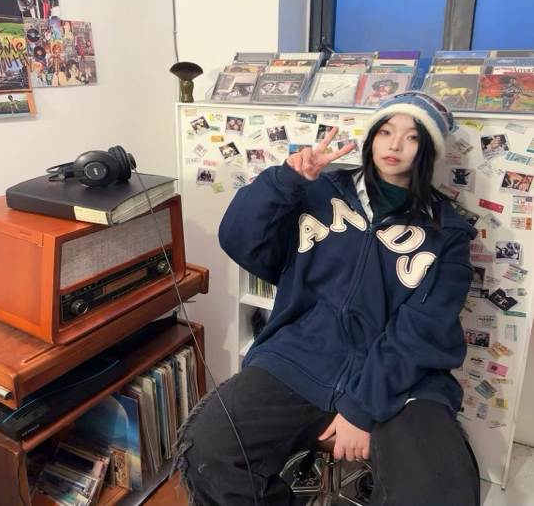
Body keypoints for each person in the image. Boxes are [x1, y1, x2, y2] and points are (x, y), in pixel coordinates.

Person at [174, 91, 480, 505]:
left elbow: (422, 329)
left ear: (427, 150)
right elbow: (241, 240)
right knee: (209, 451)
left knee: (439, 491)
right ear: (371, 136)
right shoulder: (317, 191)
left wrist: (361, 407)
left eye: (411, 137)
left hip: (403, 380)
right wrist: (285, 180)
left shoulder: (448, 232)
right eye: (385, 131)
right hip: (302, 356)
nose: (394, 145)